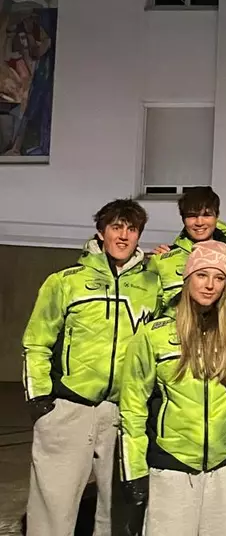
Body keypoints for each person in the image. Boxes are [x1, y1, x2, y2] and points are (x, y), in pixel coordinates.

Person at [22, 199, 161, 536]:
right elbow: (36, 340)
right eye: (116, 227)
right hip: (70, 409)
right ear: (101, 232)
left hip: (122, 413)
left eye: (131, 229)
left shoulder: (151, 285)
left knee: (118, 512)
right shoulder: (65, 281)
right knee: (52, 510)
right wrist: (40, 399)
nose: (124, 236)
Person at [119, 241, 226, 535]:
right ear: (187, 278)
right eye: (202, 275)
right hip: (172, 465)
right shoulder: (154, 334)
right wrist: (134, 468)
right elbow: (132, 404)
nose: (210, 285)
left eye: (219, 278)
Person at [149, 186, 226, 316]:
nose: (199, 222)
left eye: (206, 215)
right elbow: (152, 312)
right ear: (183, 219)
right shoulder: (163, 259)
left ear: (217, 216)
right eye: (192, 216)